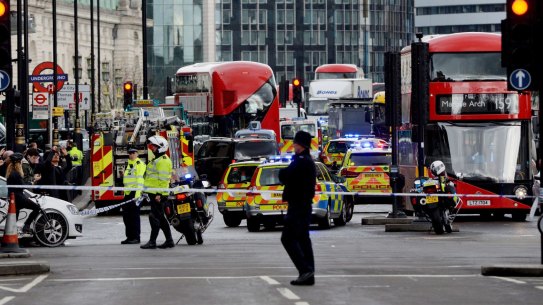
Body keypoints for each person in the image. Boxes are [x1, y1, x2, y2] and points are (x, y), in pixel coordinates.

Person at [278, 130, 317, 286]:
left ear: (300, 145)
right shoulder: (305, 160)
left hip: (298, 206)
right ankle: (309, 274)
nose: (293, 145)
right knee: (303, 240)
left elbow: (285, 176)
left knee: (287, 238)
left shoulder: (302, 161)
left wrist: (283, 172)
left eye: (295, 142)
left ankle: (305, 269)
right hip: (303, 205)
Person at [140, 135, 175, 249]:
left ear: (161, 147)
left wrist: (159, 194)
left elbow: (163, 179)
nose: (152, 148)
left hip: (158, 194)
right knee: (160, 217)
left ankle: (152, 242)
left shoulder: (163, 161)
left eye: (154, 146)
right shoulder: (157, 160)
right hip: (154, 193)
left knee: (154, 217)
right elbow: (151, 178)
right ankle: (169, 241)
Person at [6, 153, 41, 234]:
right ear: (19, 163)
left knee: (14, 218)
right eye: (21, 162)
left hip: (14, 198)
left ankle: (12, 234)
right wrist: (32, 182)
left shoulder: (10, 172)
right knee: (37, 208)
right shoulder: (16, 173)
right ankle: (26, 225)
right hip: (18, 197)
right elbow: (22, 186)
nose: (22, 163)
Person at [121, 148, 146, 245]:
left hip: (134, 193)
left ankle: (136, 237)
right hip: (127, 194)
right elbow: (129, 180)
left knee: (134, 217)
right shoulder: (129, 164)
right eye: (130, 153)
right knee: (126, 217)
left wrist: (137, 195)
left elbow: (140, 180)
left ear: (137, 154)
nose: (131, 155)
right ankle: (129, 237)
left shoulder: (139, 164)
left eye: (133, 153)